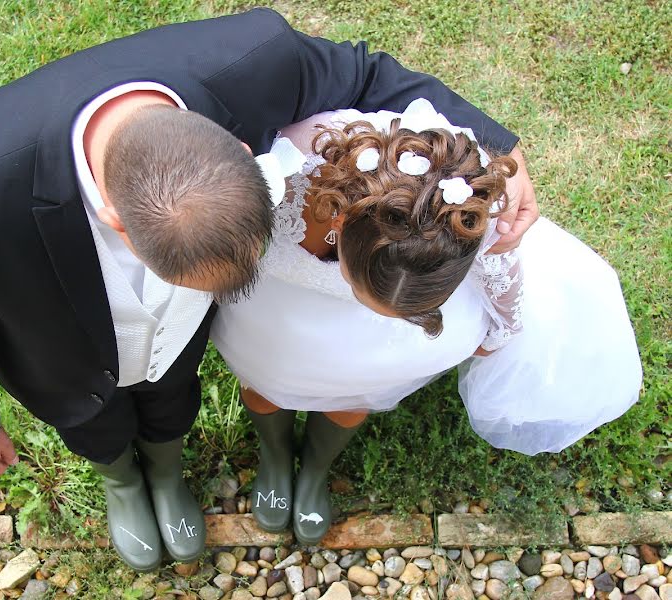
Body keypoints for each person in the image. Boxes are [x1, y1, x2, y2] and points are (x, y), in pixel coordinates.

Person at [0, 8, 538, 570]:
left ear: (236, 147)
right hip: (65, 359)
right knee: (93, 423)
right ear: (119, 220)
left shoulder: (259, 58)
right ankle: (123, 483)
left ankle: (168, 474)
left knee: (173, 399)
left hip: (175, 348)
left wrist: (498, 149)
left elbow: (368, 73)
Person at [211, 99, 642, 544]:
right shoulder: (287, 168)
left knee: (353, 393)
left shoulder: (468, 215)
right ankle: (275, 456)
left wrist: (497, 336)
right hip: (280, 314)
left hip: (375, 346)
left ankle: (316, 469)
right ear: (341, 221)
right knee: (263, 386)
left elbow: (504, 284)